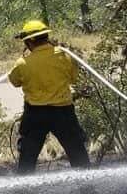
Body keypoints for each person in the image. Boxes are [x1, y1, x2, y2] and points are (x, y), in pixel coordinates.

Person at [8, 20, 90, 174]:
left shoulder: (22, 63)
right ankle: (89, 190)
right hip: (63, 113)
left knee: (28, 157)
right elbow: (73, 78)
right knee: (77, 151)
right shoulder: (65, 56)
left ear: (30, 41)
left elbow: (14, 81)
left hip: (35, 115)